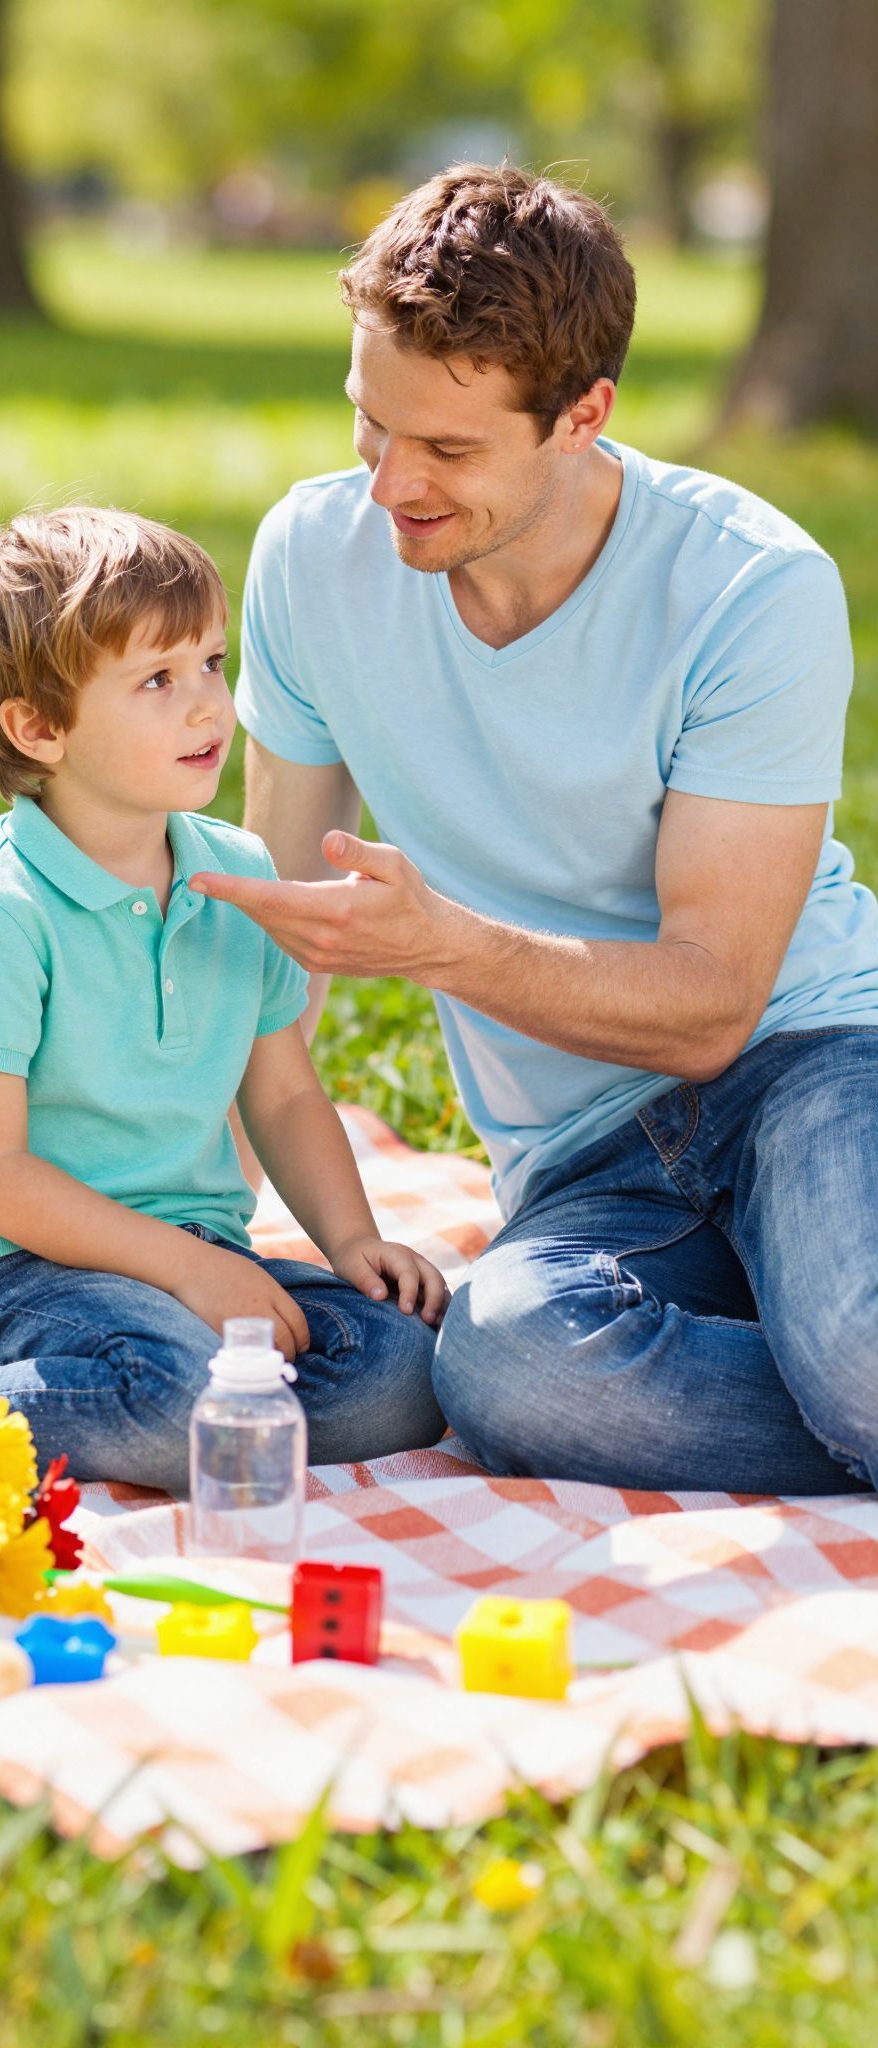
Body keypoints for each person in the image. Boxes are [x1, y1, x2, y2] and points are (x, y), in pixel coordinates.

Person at [191, 163, 878, 1497]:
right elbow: (279, 936)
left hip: (811, 1060)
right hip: (584, 1155)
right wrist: (178, 1223)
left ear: (582, 417)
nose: (391, 484)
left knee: (858, 1349)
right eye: (368, 426)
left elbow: (711, 1011)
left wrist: (440, 947)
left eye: (448, 450)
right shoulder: (312, 561)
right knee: (507, 1368)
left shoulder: (749, 588)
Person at [0, 507, 447, 1487]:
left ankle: (147, 1386)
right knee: (183, 1404)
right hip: (17, 1266)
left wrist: (352, 1239)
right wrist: (183, 1271)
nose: (208, 706)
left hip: (197, 1248)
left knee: (404, 1372)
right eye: (158, 680)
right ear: (39, 728)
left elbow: (287, 1096)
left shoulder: (236, 873)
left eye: (212, 663)